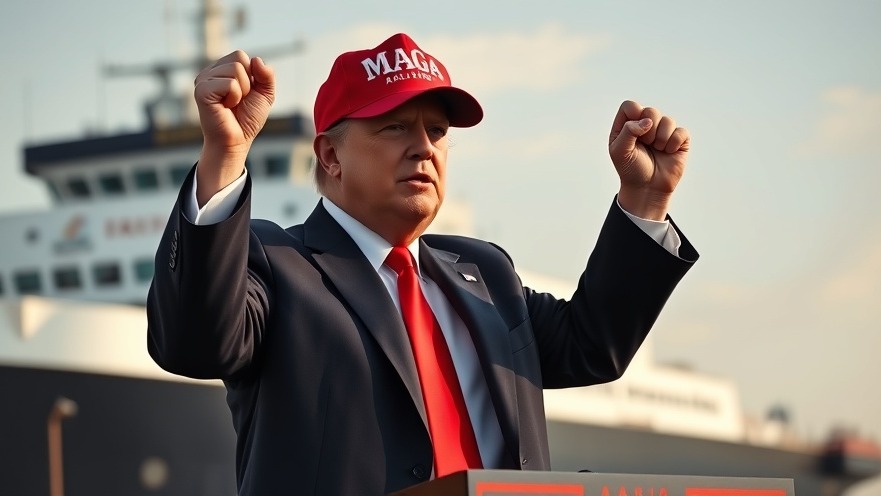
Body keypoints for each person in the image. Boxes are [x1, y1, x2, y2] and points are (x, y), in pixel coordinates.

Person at [147, 32, 698, 495]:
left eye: (436, 131)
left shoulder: (487, 273)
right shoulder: (276, 263)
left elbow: (592, 346)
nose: (425, 147)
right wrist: (223, 156)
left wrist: (644, 201)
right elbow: (196, 342)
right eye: (395, 127)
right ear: (331, 156)